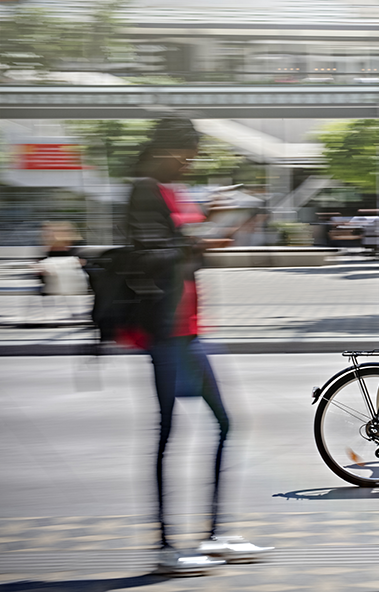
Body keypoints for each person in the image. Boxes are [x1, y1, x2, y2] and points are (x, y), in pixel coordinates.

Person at [126, 117, 271, 575]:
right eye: (187, 153)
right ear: (166, 150)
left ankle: (212, 534)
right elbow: (147, 256)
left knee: (226, 423)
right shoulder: (144, 191)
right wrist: (194, 239)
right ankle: (166, 545)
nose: (192, 161)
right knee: (169, 432)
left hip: (190, 330)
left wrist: (216, 233)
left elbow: (187, 253)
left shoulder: (174, 192)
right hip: (165, 332)